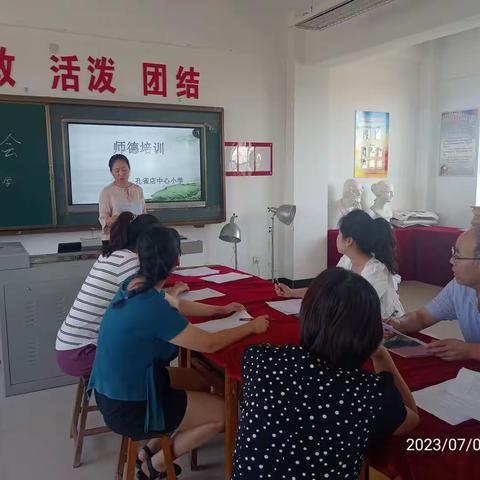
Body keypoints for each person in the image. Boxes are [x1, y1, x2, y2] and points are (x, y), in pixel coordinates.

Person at [88, 225, 269, 478]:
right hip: (131, 406)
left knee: (202, 380)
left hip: (115, 388)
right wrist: (252, 327)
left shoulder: (135, 285)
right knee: (226, 414)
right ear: (176, 261)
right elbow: (210, 344)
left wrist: (218, 310)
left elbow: (176, 303)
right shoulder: (149, 305)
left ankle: (148, 451)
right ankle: (157, 464)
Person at [232, 268, 419, 480]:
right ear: (370, 330)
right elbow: (411, 419)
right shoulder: (369, 395)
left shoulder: (260, 359)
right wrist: (381, 356)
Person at [56, 212, 241, 379]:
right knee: (165, 342)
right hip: (83, 352)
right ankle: (158, 394)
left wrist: (175, 293)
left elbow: (157, 298)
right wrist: (217, 310)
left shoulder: (112, 255)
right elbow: (163, 303)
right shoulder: (130, 264)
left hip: (70, 346)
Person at [275, 209, 404, 319]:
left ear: (348, 241)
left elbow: (356, 309)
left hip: (382, 329)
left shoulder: (376, 271)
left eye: (339, 234)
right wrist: (292, 292)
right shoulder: (347, 260)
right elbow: (327, 289)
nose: (337, 237)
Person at [388, 227, 480, 361]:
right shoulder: (459, 288)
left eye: (458, 257)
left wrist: (469, 350)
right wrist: (398, 324)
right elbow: (421, 317)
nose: (451, 261)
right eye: (453, 253)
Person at [99, 154, 146, 233]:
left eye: (124, 170)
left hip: (138, 236)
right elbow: (103, 219)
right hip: (118, 237)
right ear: (111, 172)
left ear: (129, 169)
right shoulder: (107, 191)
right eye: (117, 171)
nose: (121, 173)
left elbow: (144, 213)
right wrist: (112, 220)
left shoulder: (138, 189)